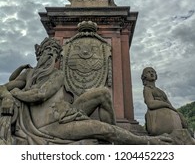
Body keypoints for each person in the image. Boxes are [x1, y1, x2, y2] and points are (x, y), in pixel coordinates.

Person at [0, 39, 172, 145]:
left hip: (67, 112)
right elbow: (3, 88)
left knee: (103, 93)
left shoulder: (58, 74)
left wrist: (14, 93)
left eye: (54, 54)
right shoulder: (27, 74)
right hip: (53, 126)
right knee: (104, 129)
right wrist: (8, 95)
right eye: (47, 52)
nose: (51, 56)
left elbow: (41, 94)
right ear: (39, 55)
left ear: (59, 59)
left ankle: (110, 142)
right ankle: (147, 141)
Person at [141, 67, 189, 135]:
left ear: (156, 75)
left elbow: (170, 105)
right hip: (156, 118)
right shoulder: (147, 89)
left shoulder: (161, 91)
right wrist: (166, 104)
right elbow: (150, 104)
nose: (151, 73)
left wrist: (178, 113)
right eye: (148, 72)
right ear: (144, 76)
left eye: (153, 72)